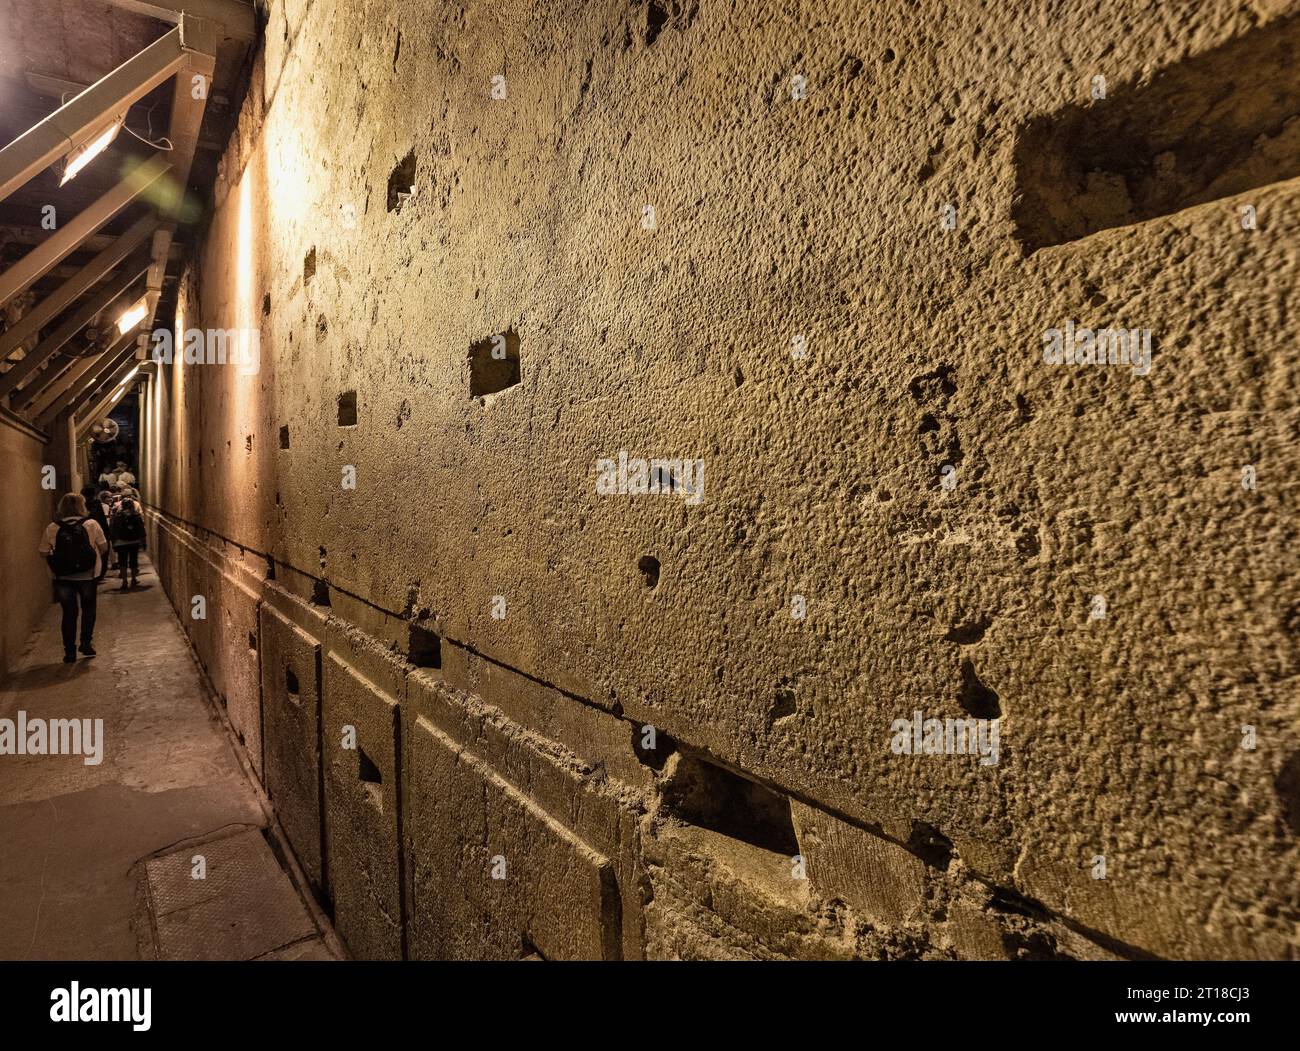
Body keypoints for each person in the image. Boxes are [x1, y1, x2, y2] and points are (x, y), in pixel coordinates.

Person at [38, 492, 109, 663]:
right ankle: (85, 643)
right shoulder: (91, 524)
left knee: (69, 613)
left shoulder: (52, 527)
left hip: (63, 577)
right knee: (88, 610)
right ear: (81, 506)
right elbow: (104, 547)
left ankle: (69, 651)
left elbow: (43, 552)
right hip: (87, 575)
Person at [110, 493, 147, 590]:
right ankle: (134, 579)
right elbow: (141, 529)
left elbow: (113, 529)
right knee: (133, 560)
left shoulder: (117, 515)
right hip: (134, 541)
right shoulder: (136, 515)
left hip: (121, 542)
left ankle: (125, 581)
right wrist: (143, 541)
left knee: (122, 562)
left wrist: (113, 541)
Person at [80, 484, 111, 582]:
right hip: (100, 531)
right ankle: (100, 573)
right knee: (103, 552)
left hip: (89, 532)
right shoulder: (97, 504)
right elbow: (100, 520)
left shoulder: (86, 505)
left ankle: (97, 573)